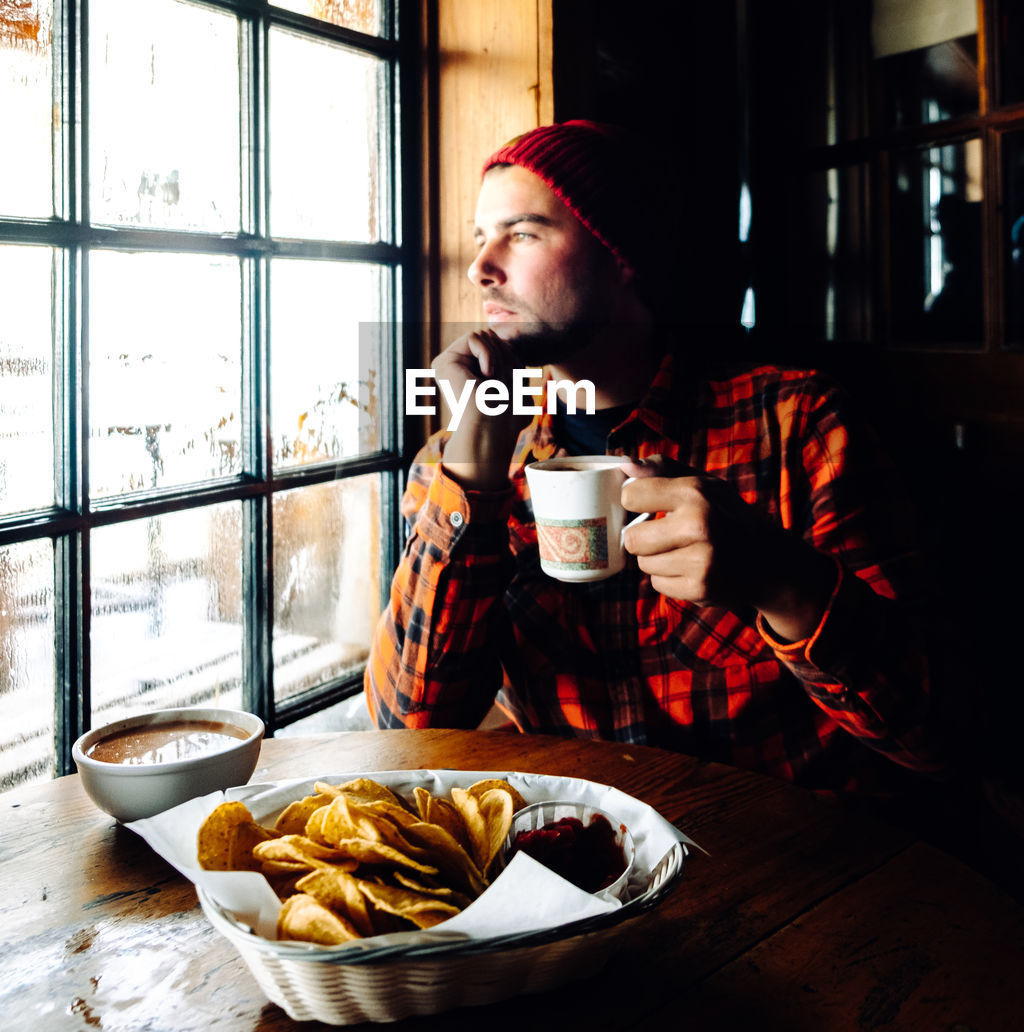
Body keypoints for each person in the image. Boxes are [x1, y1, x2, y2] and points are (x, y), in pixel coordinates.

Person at [365, 120, 951, 809]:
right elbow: (410, 730)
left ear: (621, 254)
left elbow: (936, 735)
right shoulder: (462, 462)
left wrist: (780, 581)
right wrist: (473, 477)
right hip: (584, 864)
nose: (480, 267)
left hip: (793, 871)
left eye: (521, 233)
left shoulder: (798, 426)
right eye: (479, 237)